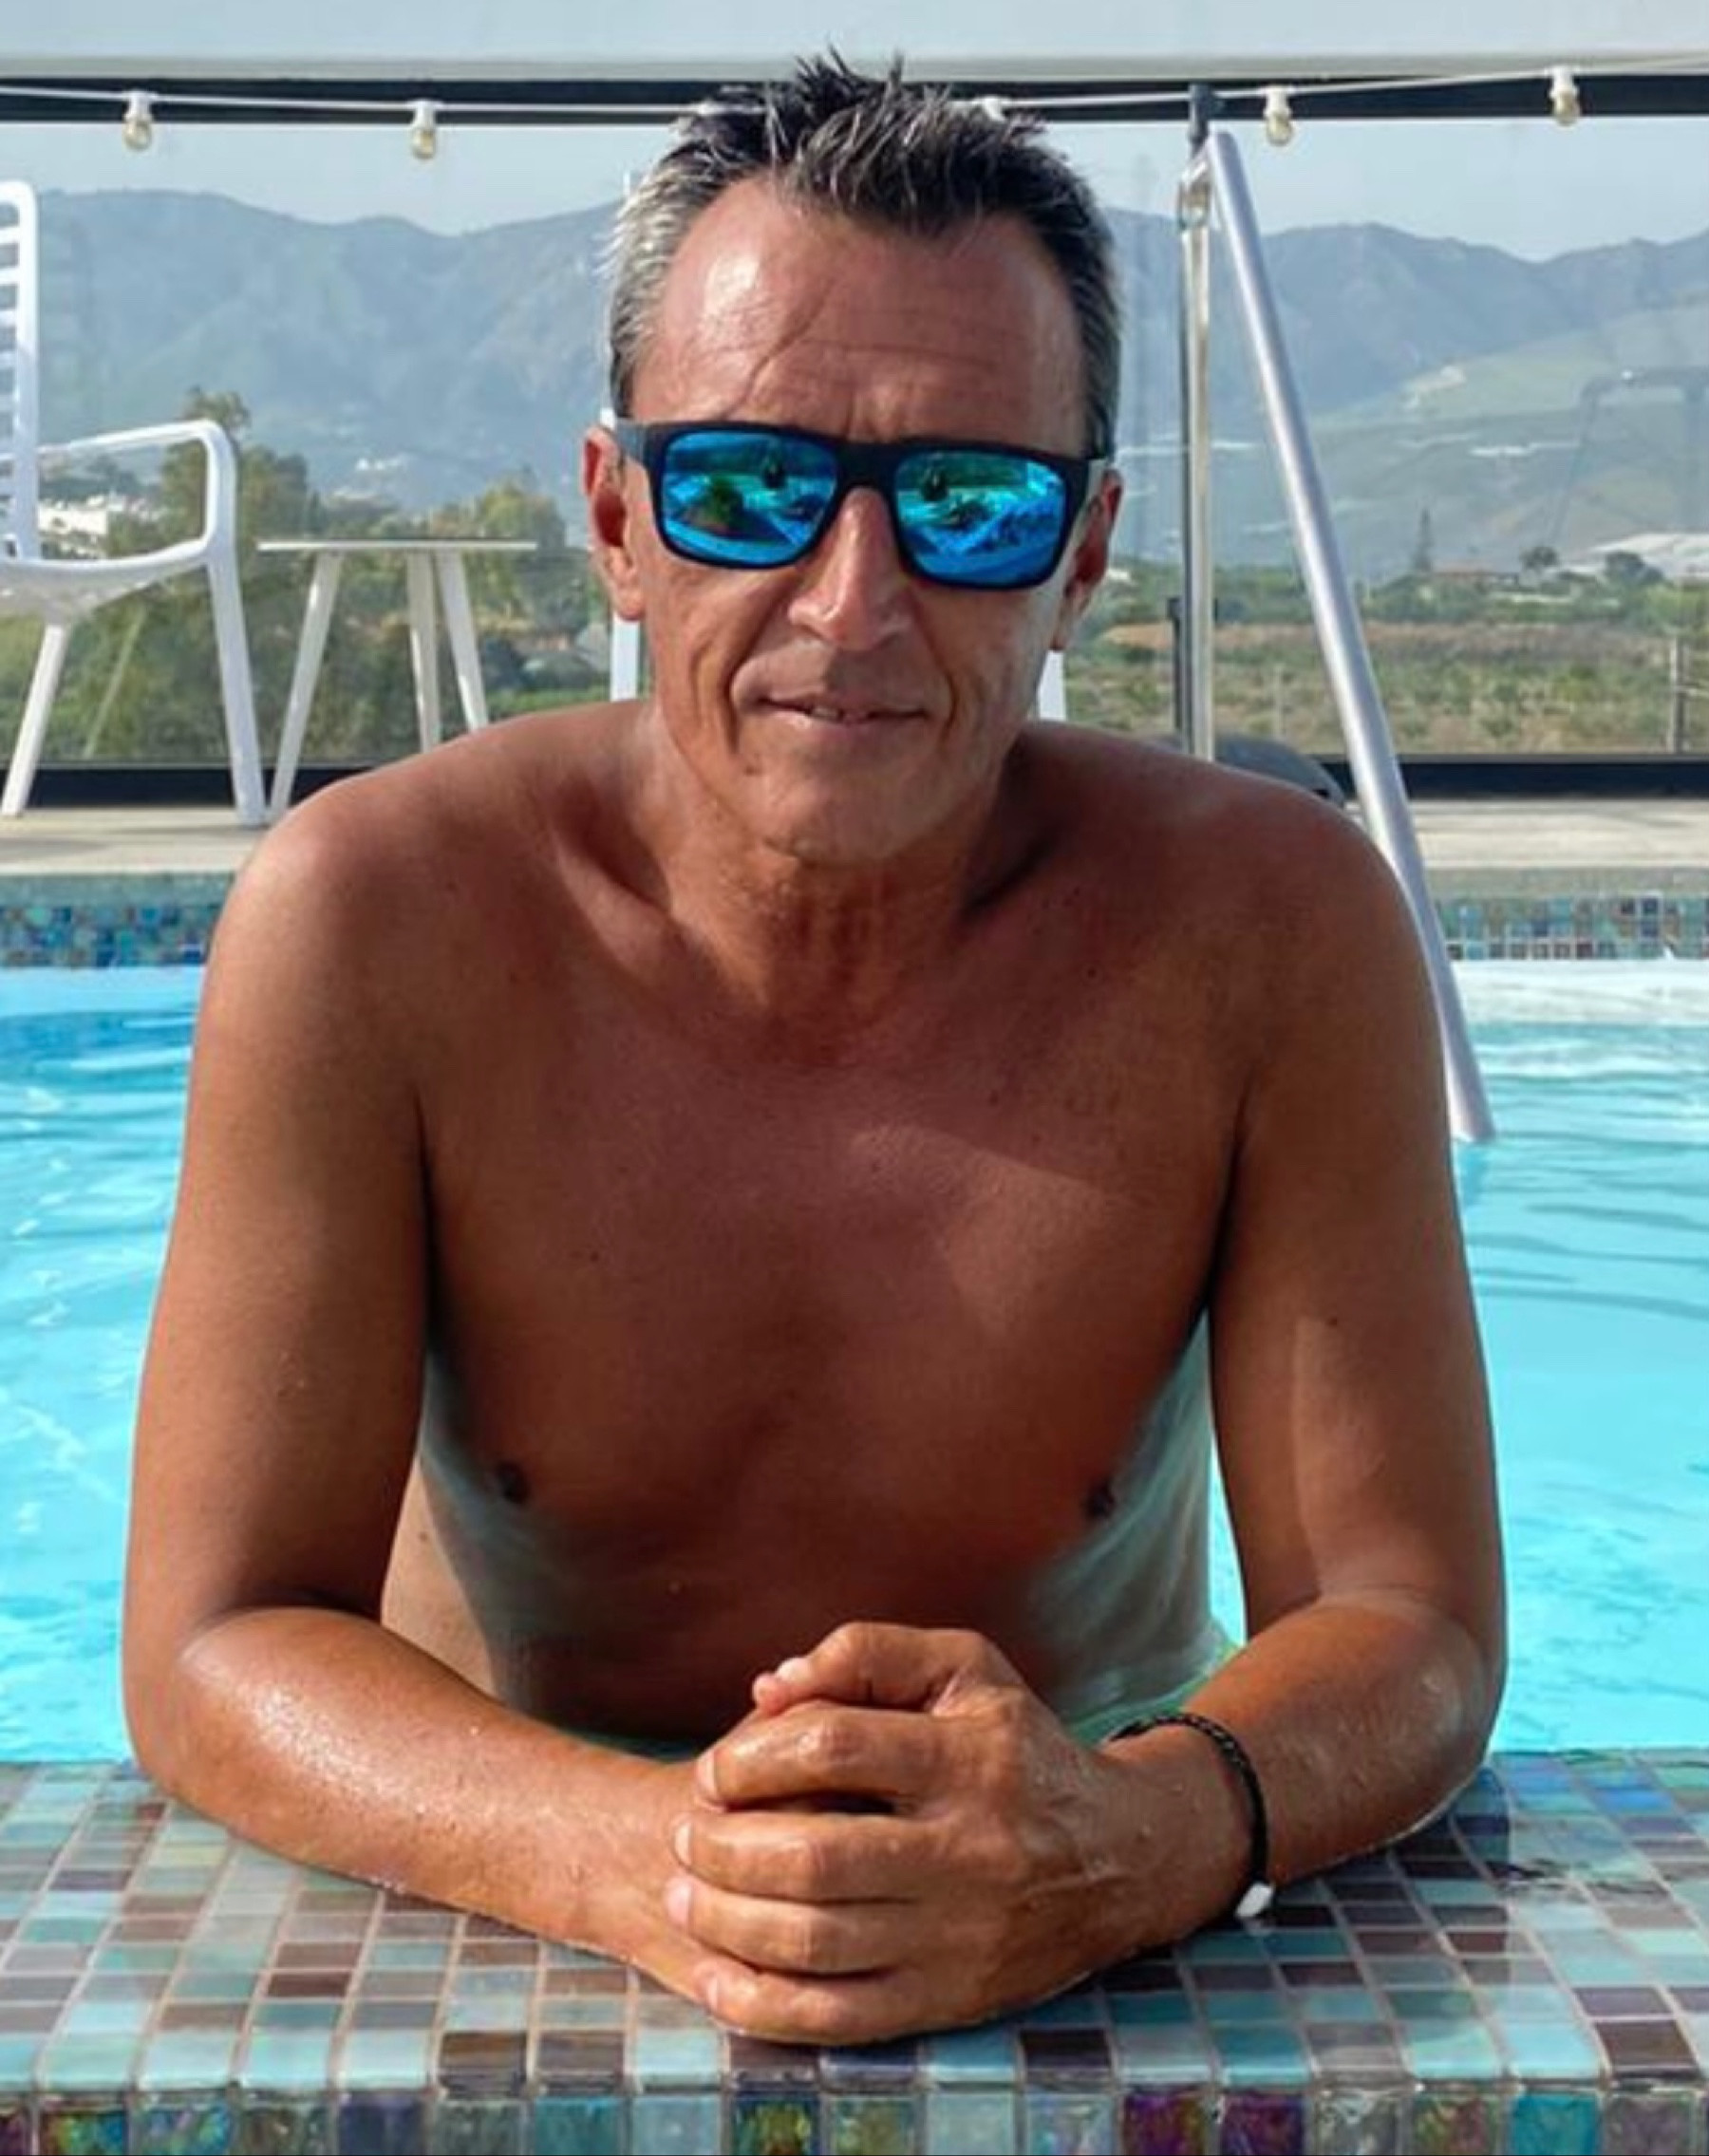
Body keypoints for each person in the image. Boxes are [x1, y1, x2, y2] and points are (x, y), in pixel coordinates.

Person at [122, 56, 1504, 2048]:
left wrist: (1134, 1834)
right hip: (524, 1866)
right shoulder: (377, 926)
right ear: (619, 519)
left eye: (968, 507)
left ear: (1081, 556)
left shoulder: (1265, 940)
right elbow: (210, 1639)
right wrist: (659, 1865)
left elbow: (1412, 1619)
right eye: (748, 489)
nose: (854, 608)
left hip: (1091, 1826)